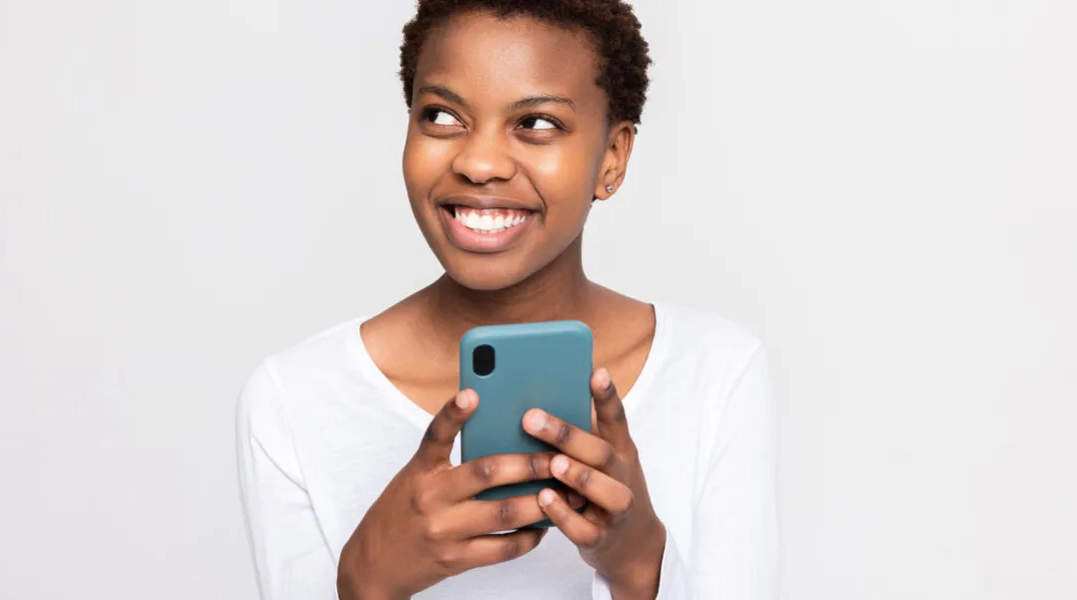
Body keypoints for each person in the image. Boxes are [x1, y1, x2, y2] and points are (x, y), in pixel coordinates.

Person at [236, 1, 777, 598]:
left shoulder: (714, 371)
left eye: (537, 123)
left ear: (612, 158)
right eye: (441, 116)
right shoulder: (295, 397)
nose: (479, 163)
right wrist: (365, 584)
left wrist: (640, 565)